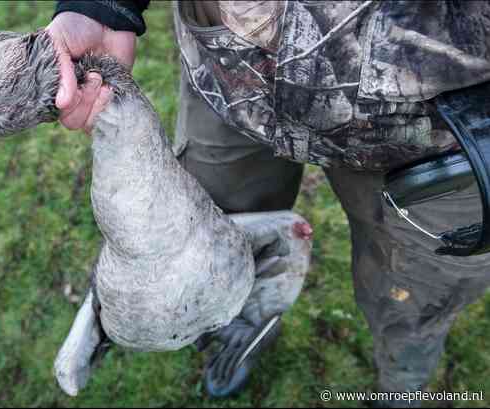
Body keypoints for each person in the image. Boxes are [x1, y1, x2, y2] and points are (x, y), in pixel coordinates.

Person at [46, 1, 490, 406]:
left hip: (442, 130)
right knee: (205, 252)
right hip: (234, 72)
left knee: (414, 296)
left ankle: (401, 388)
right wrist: (104, 6)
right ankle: (241, 326)